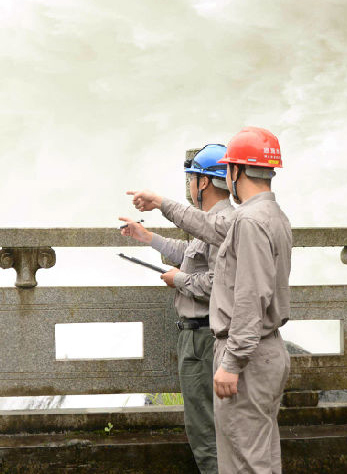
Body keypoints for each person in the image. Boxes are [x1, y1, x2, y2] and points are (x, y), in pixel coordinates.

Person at [127, 127, 292, 474]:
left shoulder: (248, 221)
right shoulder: (272, 216)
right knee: (259, 454)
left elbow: (250, 297)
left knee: (243, 458)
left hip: (249, 352)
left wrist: (231, 362)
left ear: (236, 171)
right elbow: (208, 230)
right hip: (266, 350)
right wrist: (159, 211)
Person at [119, 144, 233, 474]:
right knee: (221, 429)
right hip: (207, 336)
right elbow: (191, 253)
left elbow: (219, 283)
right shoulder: (215, 220)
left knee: (205, 432)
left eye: (191, 178)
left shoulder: (221, 221)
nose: (188, 186)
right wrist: (148, 237)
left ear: (203, 183)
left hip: (203, 337)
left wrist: (179, 281)